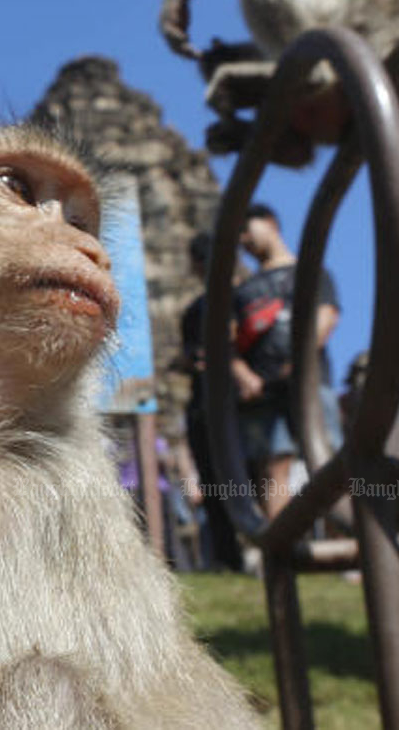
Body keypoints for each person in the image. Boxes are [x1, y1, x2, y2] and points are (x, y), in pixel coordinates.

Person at [231, 203, 341, 519]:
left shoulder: (310, 271)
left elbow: (327, 315)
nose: (243, 240)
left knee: (328, 459)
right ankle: (283, 555)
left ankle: (347, 550)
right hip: (263, 392)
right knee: (273, 465)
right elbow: (230, 345)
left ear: (270, 223)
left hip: (311, 383)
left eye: (247, 229)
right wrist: (244, 376)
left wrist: (298, 360)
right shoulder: (245, 290)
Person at [179, 232, 245, 572]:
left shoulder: (244, 298)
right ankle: (227, 558)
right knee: (216, 485)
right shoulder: (194, 312)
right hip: (206, 405)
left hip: (241, 403)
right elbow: (188, 356)